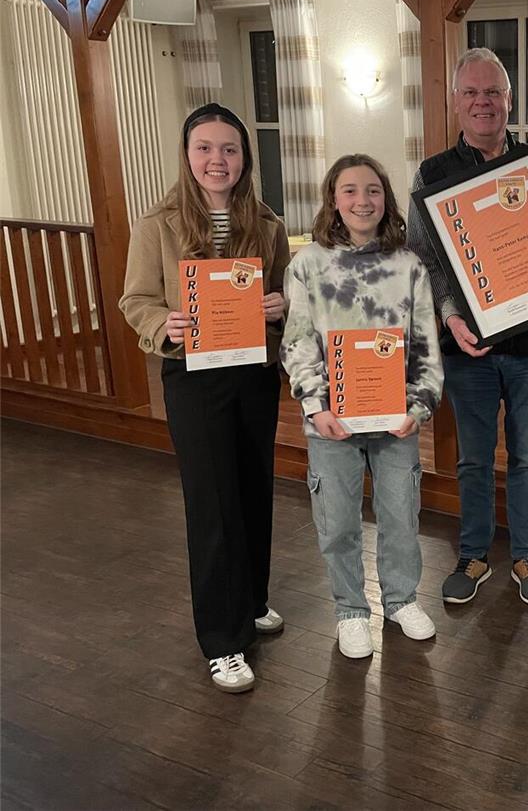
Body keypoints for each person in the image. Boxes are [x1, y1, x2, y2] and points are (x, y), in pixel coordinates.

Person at [405, 48, 528, 606]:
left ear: (509, 100)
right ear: (455, 102)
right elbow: (424, 259)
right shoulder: (433, 174)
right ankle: (475, 554)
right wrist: (449, 313)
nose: (483, 102)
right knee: (473, 458)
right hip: (469, 346)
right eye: (472, 92)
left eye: (493, 92)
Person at [120, 103, 291, 693]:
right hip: (193, 378)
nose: (218, 160)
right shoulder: (157, 224)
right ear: (187, 155)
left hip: (253, 374)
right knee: (212, 503)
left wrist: (280, 305)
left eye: (229, 149)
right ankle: (222, 639)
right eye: (205, 148)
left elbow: (282, 292)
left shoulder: (267, 224)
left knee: (253, 490)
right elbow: (135, 300)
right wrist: (162, 323)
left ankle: (252, 601)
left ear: (245, 159)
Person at [281, 154, 443, 659]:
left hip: (396, 420)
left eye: (372, 190)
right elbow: (297, 341)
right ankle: (351, 610)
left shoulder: (409, 265)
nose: (362, 201)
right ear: (333, 199)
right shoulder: (307, 265)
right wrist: (316, 406)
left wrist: (418, 406)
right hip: (331, 421)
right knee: (338, 521)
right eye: (349, 190)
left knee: (401, 516)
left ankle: (401, 600)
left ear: (386, 199)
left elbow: (426, 344)